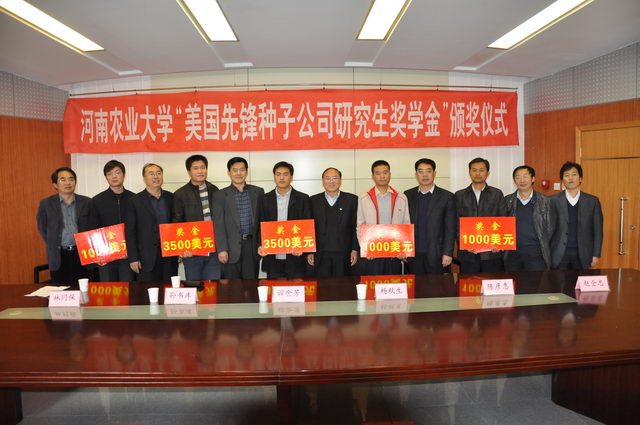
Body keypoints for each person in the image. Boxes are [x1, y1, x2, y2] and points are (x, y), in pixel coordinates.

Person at [36, 167, 97, 283]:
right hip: (59, 255)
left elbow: (93, 227)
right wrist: (54, 242)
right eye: (63, 179)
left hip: (82, 254)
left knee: (83, 290)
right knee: (61, 290)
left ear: (75, 182)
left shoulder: (87, 202)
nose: (68, 183)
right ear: (55, 184)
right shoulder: (46, 204)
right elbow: (42, 228)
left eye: (71, 179)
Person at [257, 161, 311, 278]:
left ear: (291, 177)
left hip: (295, 258)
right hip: (272, 257)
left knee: (296, 288)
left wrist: (304, 248)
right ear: (274, 176)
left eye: (285, 174)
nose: (281, 178)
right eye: (278, 174)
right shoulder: (264, 199)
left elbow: (307, 228)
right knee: (274, 288)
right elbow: (260, 224)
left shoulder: (303, 199)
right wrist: (260, 245)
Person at [213, 157, 264, 279]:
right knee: (231, 287)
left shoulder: (258, 192)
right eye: (235, 170)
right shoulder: (220, 195)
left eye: (242, 169)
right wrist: (222, 249)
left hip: (251, 246)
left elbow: (262, 221)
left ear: (247, 171)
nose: (238, 173)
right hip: (230, 248)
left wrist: (262, 243)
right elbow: (218, 225)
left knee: (250, 285)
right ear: (229, 172)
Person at [357, 160, 411, 275]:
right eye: (378, 173)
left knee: (393, 283)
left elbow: (406, 224)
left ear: (390, 174)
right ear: (373, 176)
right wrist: (366, 249)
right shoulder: (364, 198)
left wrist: (404, 250)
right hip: (373, 254)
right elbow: (360, 226)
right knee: (373, 284)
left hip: (395, 253)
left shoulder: (401, 198)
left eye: (385, 172)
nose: (382, 176)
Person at [172, 155, 221, 280]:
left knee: (213, 286)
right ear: (189, 172)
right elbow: (177, 223)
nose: (200, 171)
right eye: (196, 168)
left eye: (203, 167)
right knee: (194, 285)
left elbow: (220, 219)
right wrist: (182, 248)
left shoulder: (215, 190)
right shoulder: (180, 194)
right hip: (192, 251)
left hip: (213, 249)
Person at [125, 163, 178, 281]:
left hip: (169, 254)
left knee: (169, 288)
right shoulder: (134, 201)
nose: (156, 176)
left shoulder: (171, 197)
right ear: (144, 178)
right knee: (147, 290)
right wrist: (133, 258)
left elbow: (177, 225)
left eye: (158, 173)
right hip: (145, 257)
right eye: (151, 174)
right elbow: (130, 232)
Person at [455, 157, 507, 273]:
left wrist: (498, 242)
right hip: (468, 252)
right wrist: (465, 243)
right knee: (469, 283)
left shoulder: (496, 194)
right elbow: (456, 222)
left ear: (487, 173)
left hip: (492, 252)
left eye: (481, 170)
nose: (477, 173)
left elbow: (503, 219)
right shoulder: (460, 195)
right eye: (474, 170)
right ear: (469, 172)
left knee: (491, 282)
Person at [404, 158, 456, 274]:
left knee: (437, 285)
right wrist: (403, 250)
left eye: (428, 171)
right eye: (420, 171)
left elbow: (450, 228)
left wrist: (448, 253)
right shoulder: (407, 195)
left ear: (434, 173)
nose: (425, 175)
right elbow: (403, 224)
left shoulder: (447, 196)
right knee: (415, 285)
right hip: (413, 255)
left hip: (437, 255)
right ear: (416, 174)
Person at [550, 161, 603, 270]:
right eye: (566, 175)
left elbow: (598, 230)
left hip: (584, 253)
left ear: (580, 178)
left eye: (574, 174)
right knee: (557, 281)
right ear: (562, 180)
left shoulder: (592, 201)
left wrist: (596, 254)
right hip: (558, 254)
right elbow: (547, 230)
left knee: (581, 281)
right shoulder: (552, 201)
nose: (570, 178)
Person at [308, 167, 359, 277]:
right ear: (323, 181)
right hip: (320, 253)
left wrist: (355, 249)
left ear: (340, 180)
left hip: (344, 253)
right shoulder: (313, 200)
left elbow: (356, 226)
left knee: (343, 284)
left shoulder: (352, 200)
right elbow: (309, 228)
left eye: (335, 178)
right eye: (328, 178)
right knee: (322, 285)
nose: (331, 181)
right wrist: (310, 251)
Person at [504, 165, 555, 271]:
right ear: (514, 180)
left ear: (533, 179)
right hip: (512, 253)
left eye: (525, 176)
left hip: (536, 253)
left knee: (535, 281)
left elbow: (550, 228)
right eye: (518, 177)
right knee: (514, 281)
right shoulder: (507, 200)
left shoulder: (545, 201)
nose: (522, 180)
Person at [92, 160, 135, 282]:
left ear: (124, 174)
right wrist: (97, 254)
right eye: (109, 174)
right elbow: (93, 230)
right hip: (106, 257)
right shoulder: (96, 201)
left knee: (128, 289)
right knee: (109, 289)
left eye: (117, 172)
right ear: (106, 177)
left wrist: (134, 253)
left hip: (129, 256)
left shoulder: (135, 199)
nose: (114, 176)